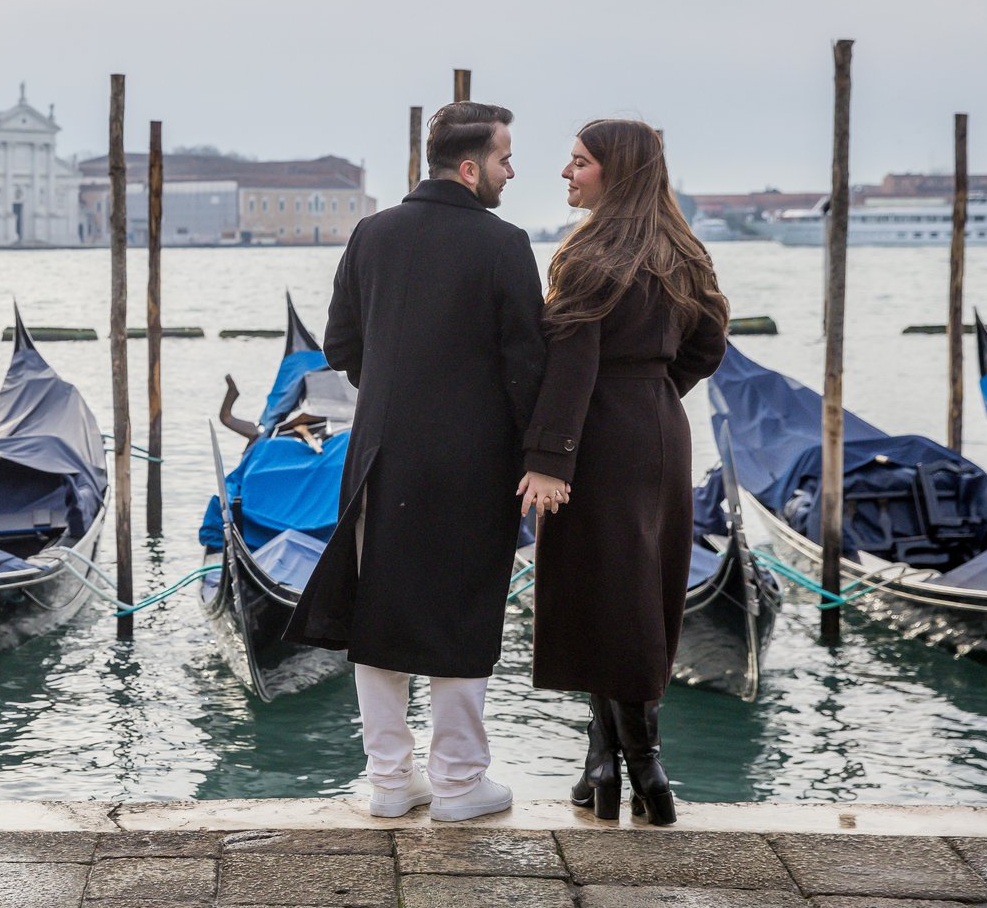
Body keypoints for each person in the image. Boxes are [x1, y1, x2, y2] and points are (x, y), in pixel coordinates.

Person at [285, 101, 546, 821]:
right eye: (504, 158)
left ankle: (390, 783)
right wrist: (541, 454)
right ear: (469, 168)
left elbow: (341, 347)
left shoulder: (371, 233)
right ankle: (459, 783)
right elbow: (528, 365)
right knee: (462, 610)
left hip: (379, 452)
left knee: (379, 614)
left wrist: (397, 388)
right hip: (474, 461)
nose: (511, 171)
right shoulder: (504, 244)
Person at [517, 119, 729, 827]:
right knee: (635, 594)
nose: (566, 173)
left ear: (617, 171)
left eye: (579, 162)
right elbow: (708, 343)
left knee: (603, 596)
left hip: (596, 437)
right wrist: (655, 392)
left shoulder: (586, 256)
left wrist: (547, 460)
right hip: (660, 432)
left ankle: (639, 765)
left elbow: (572, 365)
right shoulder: (684, 250)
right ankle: (604, 765)